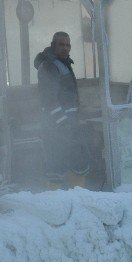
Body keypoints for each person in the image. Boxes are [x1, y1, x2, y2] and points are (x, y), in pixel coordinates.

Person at [34, 31, 89, 189]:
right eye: (61, 45)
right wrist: (62, 122)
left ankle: (77, 198)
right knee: (56, 165)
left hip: (69, 124)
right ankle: (55, 203)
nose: (65, 48)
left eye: (68, 45)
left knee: (77, 160)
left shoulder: (63, 63)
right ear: (53, 46)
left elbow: (68, 97)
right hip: (56, 126)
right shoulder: (49, 67)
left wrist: (78, 116)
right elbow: (49, 99)